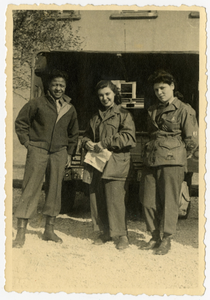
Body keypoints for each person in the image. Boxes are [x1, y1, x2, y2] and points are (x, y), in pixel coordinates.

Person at [13, 69, 79, 248]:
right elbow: (21, 123)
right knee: (30, 188)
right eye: (55, 85)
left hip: (59, 153)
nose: (58, 88)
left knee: (55, 190)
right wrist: (28, 143)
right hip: (38, 150)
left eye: (62, 85)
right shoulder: (36, 103)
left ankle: (49, 230)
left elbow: (73, 133)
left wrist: (70, 153)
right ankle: (21, 232)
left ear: (65, 88)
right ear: (49, 86)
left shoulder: (69, 108)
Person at [139, 70, 198, 255]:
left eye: (163, 88)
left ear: (172, 86)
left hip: (173, 162)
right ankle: (154, 234)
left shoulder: (184, 109)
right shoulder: (152, 109)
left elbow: (192, 140)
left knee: (169, 201)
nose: (159, 92)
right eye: (156, 89)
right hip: (152, 159)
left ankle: (166, 238)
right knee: (147, 200)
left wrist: (179, 155)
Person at [82, 80, 136, 250]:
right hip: (97, 163)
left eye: (107, 94)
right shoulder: (95, 116)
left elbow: (128, 137)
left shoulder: (124, 114)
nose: (104, 98)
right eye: (101, 95)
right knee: (98, 198)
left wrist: (104, 143)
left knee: (116, 200)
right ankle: (104, 232)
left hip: (116, 163)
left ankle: (121, 235)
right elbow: (86, 135)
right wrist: (87, 143)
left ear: (114, 94)